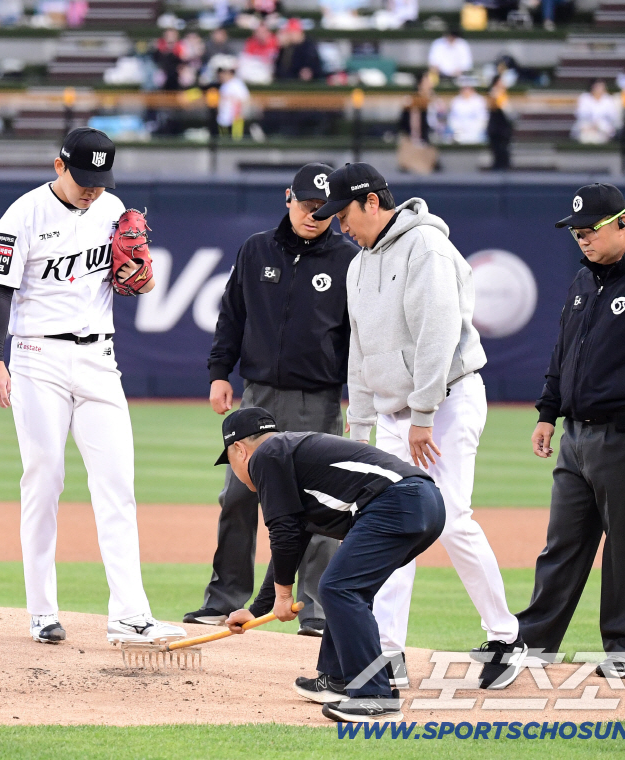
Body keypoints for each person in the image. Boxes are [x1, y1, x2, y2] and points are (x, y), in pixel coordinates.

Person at [317, 163, 526, 691]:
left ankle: (506, 637)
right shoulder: (359, 264)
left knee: (451, 519)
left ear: (371, 202)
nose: (339, 225)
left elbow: (439, 332)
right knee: (387, 524)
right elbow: (359, 350)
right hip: (392, 414)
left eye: (342, 213)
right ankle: (387, 651)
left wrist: (424, 413)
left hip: (445, 403)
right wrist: (359, 425)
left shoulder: (426, 247)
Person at [0, 128, 186, 646]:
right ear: (58, 166)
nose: (92, 189)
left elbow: (135, 280)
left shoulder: (112, 208)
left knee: (117, 483)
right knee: (44, 479)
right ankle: (42, 611)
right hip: (36, 356)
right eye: (83, 179)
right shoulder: (21, 215)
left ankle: (129, 613)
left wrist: (142, 276)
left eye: (100, 179)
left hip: (99, 356)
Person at [520, 184, 625, 679]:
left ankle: (623, 651)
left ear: (622, 222)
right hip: (575, 437)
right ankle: (534, 644)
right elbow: (563, 354)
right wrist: (548, 412)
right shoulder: (582, 281)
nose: (581, 239)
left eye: (590, 229)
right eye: (575, 232)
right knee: (562, 545)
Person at [185, 163, 359, 637]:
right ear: (288, 197)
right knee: (238, 495)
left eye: (324, 210)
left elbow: (356, 336)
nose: (314, 215)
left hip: (318, 398)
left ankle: (318, 607)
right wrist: (220, 373)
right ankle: (224, 599)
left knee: (322, 503)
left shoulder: (348, 258)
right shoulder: (256, 248)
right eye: (306, 205)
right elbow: (231, 316)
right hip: (257, 396)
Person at [217, 407, 446, 723]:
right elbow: (294, 536)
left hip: (399, 502)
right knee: (347, 590)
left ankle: (375, 696)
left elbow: (282, 533)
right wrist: (258, 609)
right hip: (421, 502)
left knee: (340, 588)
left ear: (240, 450)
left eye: (229, 462)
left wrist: (284, 598)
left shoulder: (267, 456)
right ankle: (338, 680)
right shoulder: (289, 457)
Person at [573, 79, 620, 144]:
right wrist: (592, 123)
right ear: (592, 87)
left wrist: (598, 124)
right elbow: (580, 114)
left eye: (602, 87)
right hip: (587, 126)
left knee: (604, 128)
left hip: (603, 127)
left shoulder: (608, 99)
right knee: (584, 130)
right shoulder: (584, 97)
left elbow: (613, 116)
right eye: (597, 87)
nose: (599, 89)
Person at [214, 57, 251, 138]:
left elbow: (245, 100)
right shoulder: (223, 85)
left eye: (223, 72)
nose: (220, 75)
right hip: (223, 119)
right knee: (224, 142)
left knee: (235, 142)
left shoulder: (237, 84)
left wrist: (242, 114)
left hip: (236, 119)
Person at [486, 78, 513, 170]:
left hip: (504, 132)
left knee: (504, 156)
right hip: (495, 131)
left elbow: (510, 114)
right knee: (497, 155)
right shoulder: (493, 97)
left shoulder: (504, 97)